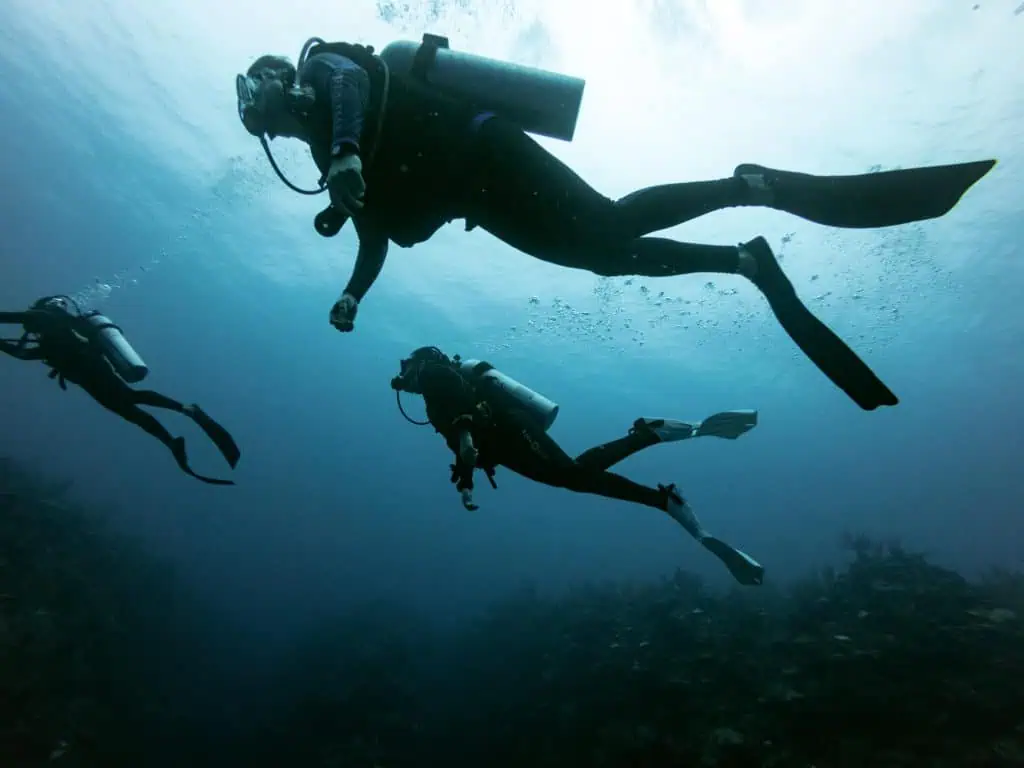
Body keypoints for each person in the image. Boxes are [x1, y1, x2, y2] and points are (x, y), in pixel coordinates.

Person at [235, 35, 997, 412]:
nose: (261, 103)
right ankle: (744, 261)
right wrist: (354, 294)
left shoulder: (330, 71)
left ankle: (747, 185)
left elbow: (343, 84)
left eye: (259, 88)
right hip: (483, 203)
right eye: (255, 111)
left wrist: (340, 152)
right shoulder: (334, 162)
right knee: (604, 257)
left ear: (278, 75)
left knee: (604, 222)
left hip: (485, 145)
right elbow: (375, 235)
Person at [390, 346, 766, 586]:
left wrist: (469, 438)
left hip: (511, 427)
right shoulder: (430, 402)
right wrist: (466, 481)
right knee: (574, 479)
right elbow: (456, 437)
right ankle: (660, 496)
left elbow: (459, 406)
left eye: (404, 369)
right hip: (503, 446)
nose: (402, 377)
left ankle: (649, 442)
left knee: (571, 475)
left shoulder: (429, 371)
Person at [0, 296, 241, 485]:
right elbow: (22, 354)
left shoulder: (46, 317)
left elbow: (8, 318)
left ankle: (185, 410)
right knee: (128, 410)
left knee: (129, 399)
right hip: (89, 377)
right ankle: (171, 440)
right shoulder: (47, 339)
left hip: (92, 370)